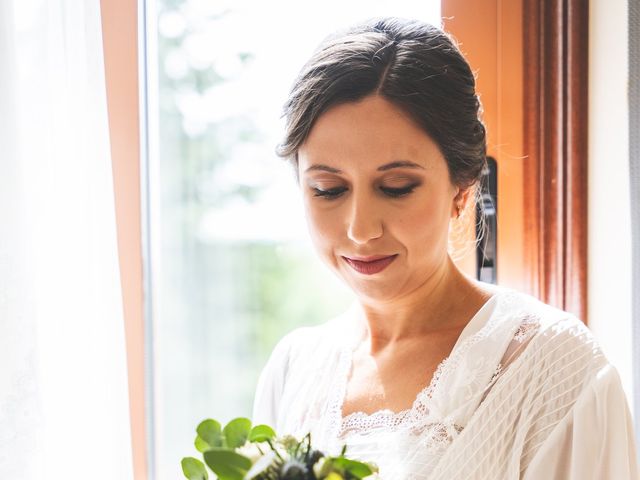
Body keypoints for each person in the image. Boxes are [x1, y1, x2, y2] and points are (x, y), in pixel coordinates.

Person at [251, 16, 639, 479]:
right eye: (329, 190)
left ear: (461, 188)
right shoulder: (294, 369)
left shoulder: (555, 371)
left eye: (396, 186)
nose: (360, 229)